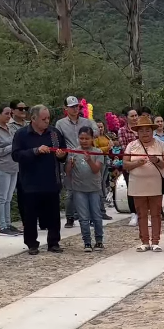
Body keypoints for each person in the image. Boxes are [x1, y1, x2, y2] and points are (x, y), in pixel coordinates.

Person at [12, 105, 68, 255]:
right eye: (44, 119)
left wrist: (62, 155)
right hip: (30, 182)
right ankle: (32, 244)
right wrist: (34, 151)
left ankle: (54, 242)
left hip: (51, 180)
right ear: (33, 119)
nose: (47, 121)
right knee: (29, 216)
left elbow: (63, 153)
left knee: (53, 214)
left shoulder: (54, 133)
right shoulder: (22, 134)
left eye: (48, 118)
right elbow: (16, 155)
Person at [124, 115, 164, 251]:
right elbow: (125, 164)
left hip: (155, 184)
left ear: (152, 131)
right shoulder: (131, 146)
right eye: (142, 131)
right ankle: (144, 241)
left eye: (148, 130)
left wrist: (157, 161)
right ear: (137, 132)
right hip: (137, 184)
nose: (145, 133)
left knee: (156, 213)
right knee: (141, 213)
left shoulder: (161, 145)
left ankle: (155, 241)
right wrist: (136, 163)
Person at [55, 96, 97, 229]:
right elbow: (58, 141)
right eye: (72, 106)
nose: (75, 109)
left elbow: (96, 132)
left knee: (90, 186)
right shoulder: (60, 123)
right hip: (71, 156)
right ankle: (70, 216)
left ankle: (89, 216)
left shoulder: (86, 122)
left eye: (77, 106)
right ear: (65, 108)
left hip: (86, 155)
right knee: (71, 189)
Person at [66, 127, 105, 252]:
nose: (84, 141)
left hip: (94, 189)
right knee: (83, 217)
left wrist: (89, 161)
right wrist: (69, 165)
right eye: (81, 138)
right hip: (79, 189)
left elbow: (96, 170)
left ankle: (99, 240)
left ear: (92, 139)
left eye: (87, 138)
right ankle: (87, 242)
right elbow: (68, 172)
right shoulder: (73, 152)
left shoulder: (97, 152)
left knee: (97, 216)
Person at [0, 103, 20, 235]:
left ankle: (8, 223)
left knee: (8, 198)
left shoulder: (11, 128)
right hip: (1, 167)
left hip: (13, 166)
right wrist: (10, 147)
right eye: (6, 114)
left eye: (10, 114)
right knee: (1, 198)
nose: (9, 116)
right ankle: (2, 226)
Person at [119, 107, 141, 226]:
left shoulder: (142, 129)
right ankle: (134, 214)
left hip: (143, 163)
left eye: (136, 115)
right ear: (126, 118)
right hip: (130, 164)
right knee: (131, 190)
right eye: (132, 116)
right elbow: (125, 148)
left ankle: (143, 214)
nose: (134, 118)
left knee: (143, 190)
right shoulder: (122, 131)